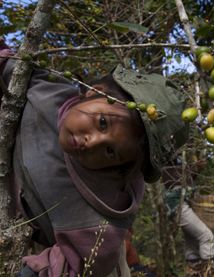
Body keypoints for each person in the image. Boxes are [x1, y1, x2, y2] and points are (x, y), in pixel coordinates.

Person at [0, 47, 188, 276]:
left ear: (119, 168)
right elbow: (10, 65)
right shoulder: (48, 90)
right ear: (94, 92)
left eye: (110, 151)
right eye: (102, 123)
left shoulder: (103, 209)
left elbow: (77, 263)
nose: (92, 142)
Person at [162, 161, 214, 273]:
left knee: (192, 238)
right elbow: (174, 179)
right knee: (206, 236)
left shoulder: (184, 158)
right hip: (177, 205)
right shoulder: (170, 156)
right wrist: (193, 167)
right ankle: (209, 269)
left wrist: (196, 169)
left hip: (183, 203)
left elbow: (186, 179)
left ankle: (194, 267)